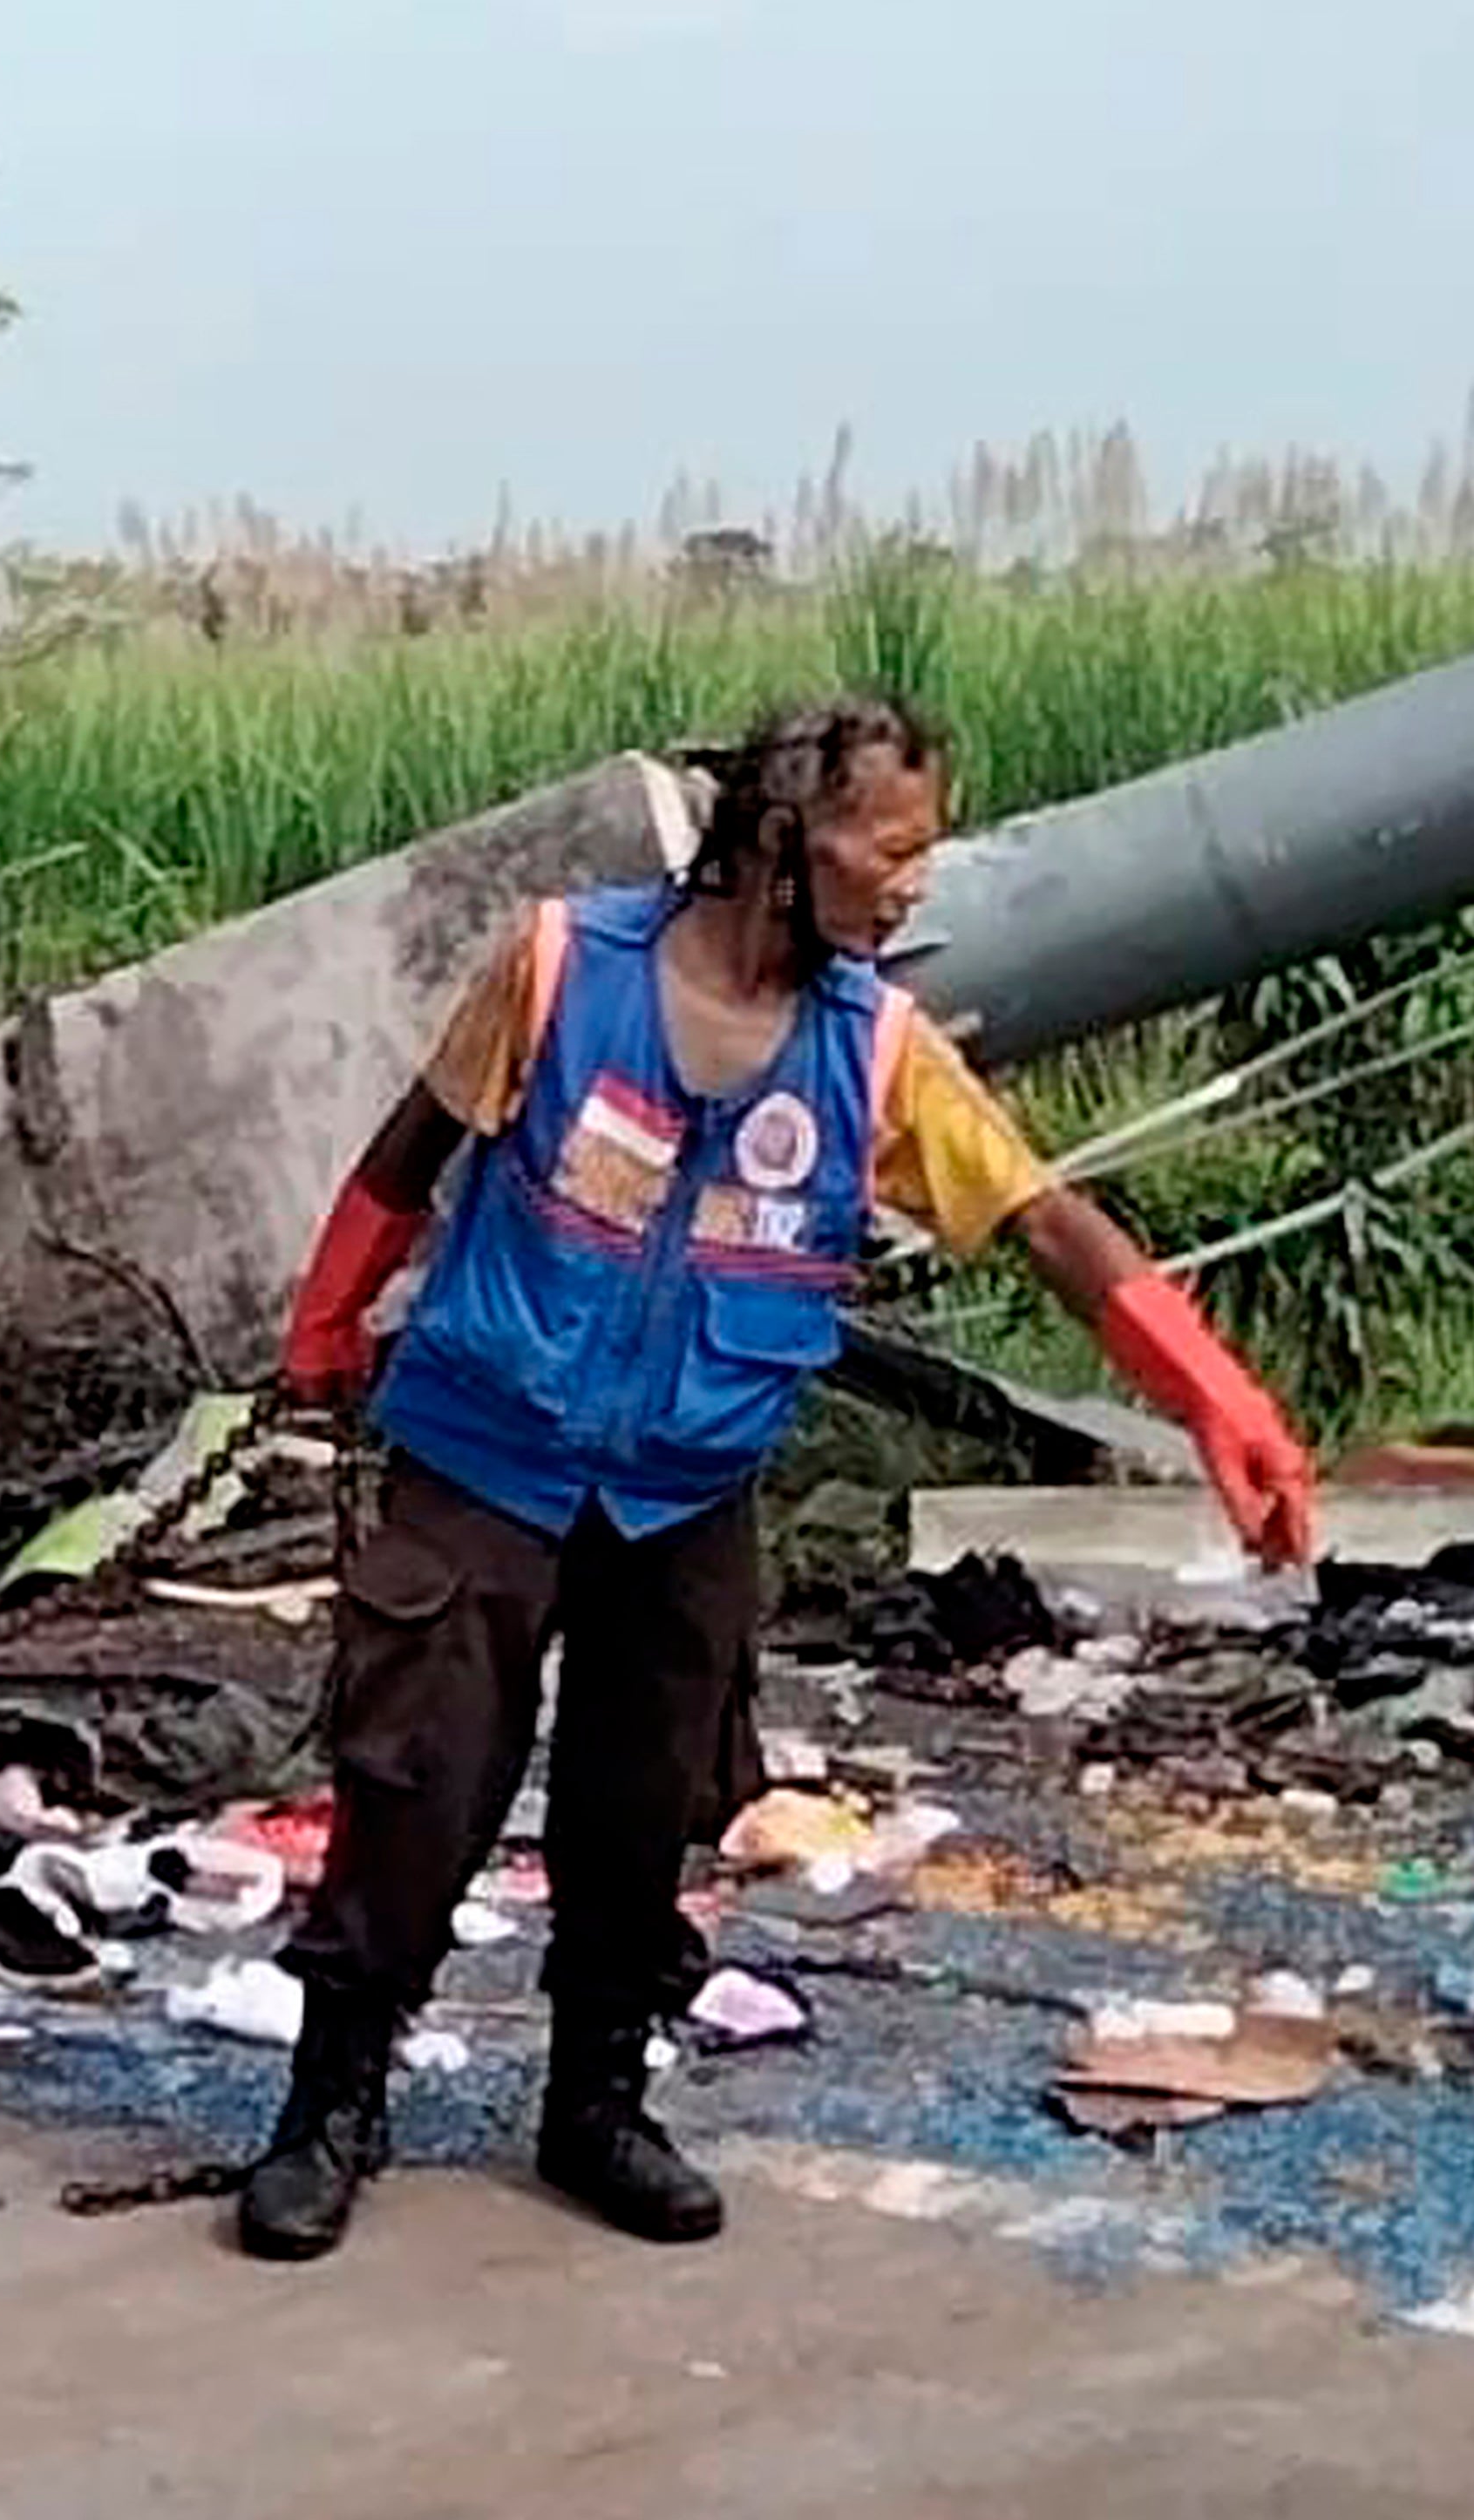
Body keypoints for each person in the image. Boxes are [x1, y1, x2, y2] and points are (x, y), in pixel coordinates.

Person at [234, 693, 1317, 2265]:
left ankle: (595, 2105)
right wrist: (326, 1324)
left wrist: (1218, 1398)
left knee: (643, 1802)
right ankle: (329, 2111)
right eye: (891, 847)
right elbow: (410, 1156)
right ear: (777, 842)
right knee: (417, 1787)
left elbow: (1044, 1222)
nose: (914, 881)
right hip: (485, 1457)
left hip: (686, 1491)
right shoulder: (556, 969)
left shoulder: (876, 1051)